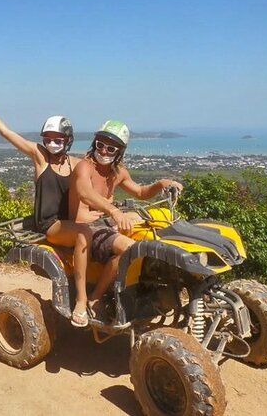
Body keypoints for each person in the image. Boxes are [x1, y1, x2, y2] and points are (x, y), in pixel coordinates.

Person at [0, 86, 94, 327]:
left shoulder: (77, 164)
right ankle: (81, 300)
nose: (53, 143)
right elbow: (6, 133)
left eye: (58, 139)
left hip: (70, 223)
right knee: (85, 234)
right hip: (50, 224)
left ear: (68, 140)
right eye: (48, 139)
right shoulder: (40, 157)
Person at [69, 120, 183, 319]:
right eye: (100, 145)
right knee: (131, 250)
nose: (104, 151)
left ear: (119, 151)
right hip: (84, 227)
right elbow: (85, 193)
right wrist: (114, 212)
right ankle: (94, 298)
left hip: (104, 224)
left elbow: (139, 191)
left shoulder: (118, 172)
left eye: (110, 148)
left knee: (149, 232)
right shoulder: (84, 167)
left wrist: (162, 183)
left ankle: (139, 290)